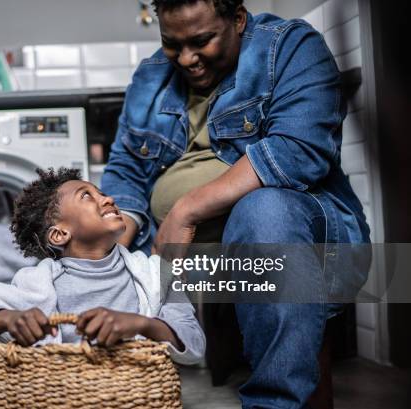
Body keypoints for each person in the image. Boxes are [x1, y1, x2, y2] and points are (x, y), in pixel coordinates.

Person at [100, 0, 370, 407]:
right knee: (82, 250)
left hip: (298, 240)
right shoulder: (151, 75)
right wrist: (112, 240)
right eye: (172, 44)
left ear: (238, 20)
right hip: (178, 255)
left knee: (264, 212)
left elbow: (299, 150)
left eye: (202, 41)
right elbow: (126, 168)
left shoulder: (289, 47)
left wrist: (186, 209)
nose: (187, 59)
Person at [0, 168, 206, 408]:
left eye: (103, 193)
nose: (107, 199)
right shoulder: (37, 284)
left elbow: (194, 343)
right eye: (87, 196)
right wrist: (6, 318)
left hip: (132, 398)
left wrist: (142, 324)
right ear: (60, 234)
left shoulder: (155, 274)